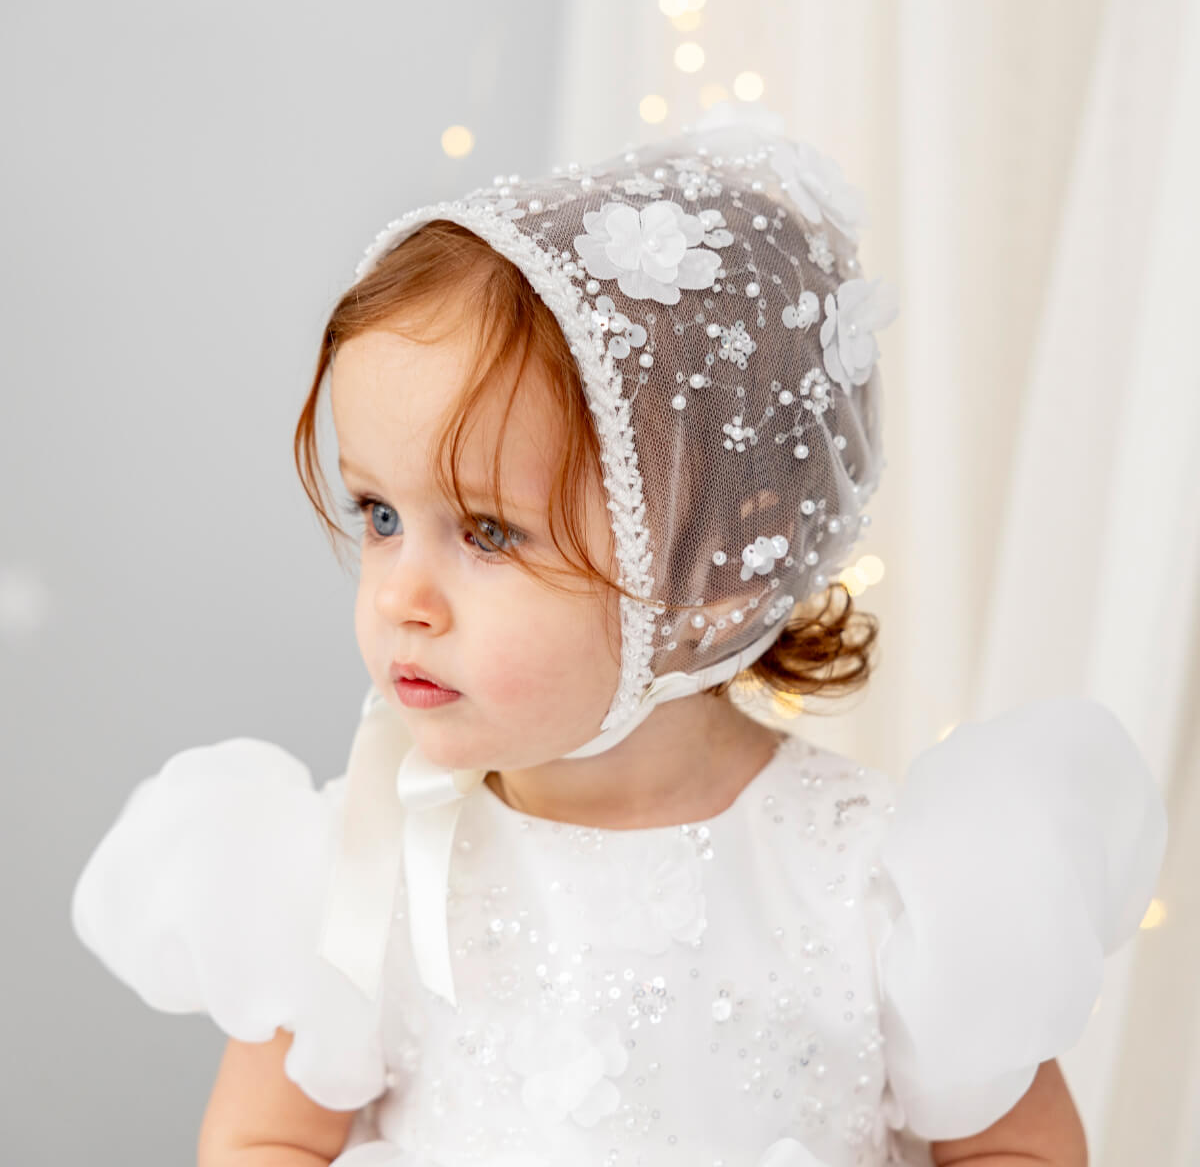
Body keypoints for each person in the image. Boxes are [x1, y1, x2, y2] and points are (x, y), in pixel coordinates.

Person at [70, 106, 1167, 1167]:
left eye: (488, 532)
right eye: (381, 515)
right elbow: (265, 1137)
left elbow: (1017, 1146)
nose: (403, 593)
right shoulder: (359, 866)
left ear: (716, 577)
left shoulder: (875, 880)